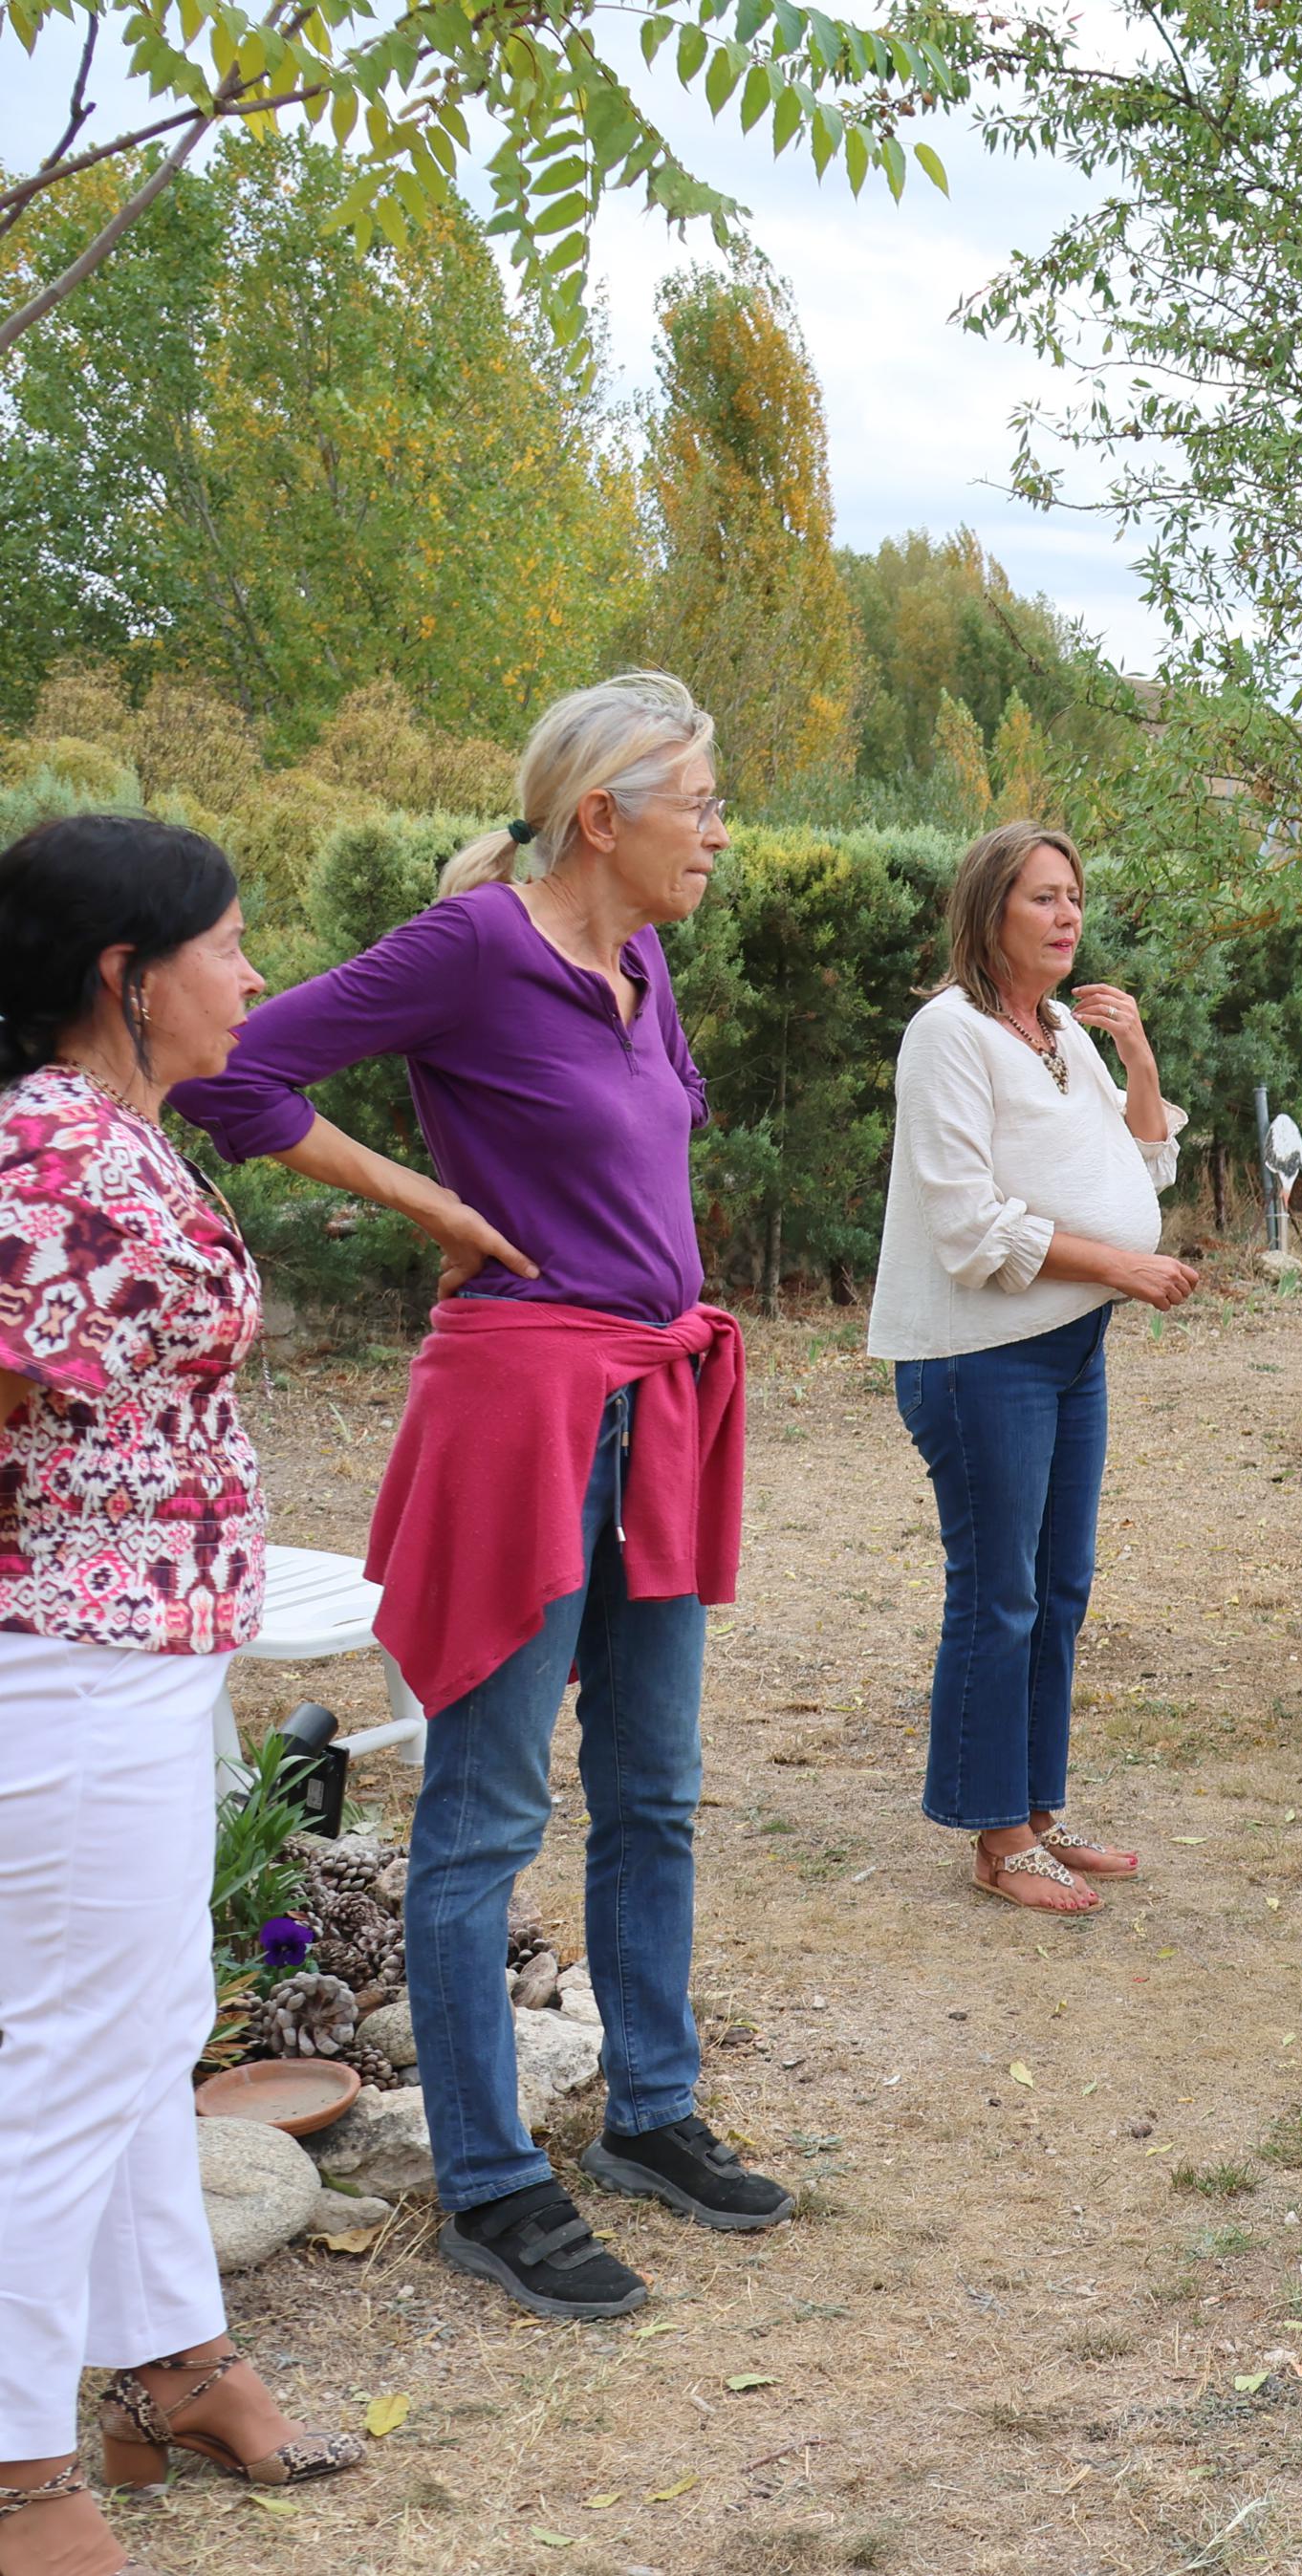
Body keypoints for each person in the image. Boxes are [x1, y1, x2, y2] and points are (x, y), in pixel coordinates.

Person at [171, 672, 789, 2323]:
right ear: (605, 815)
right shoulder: (472, 946)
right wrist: (420, 1195)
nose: (721, 831)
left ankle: (650, 2113)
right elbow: (233, 1071)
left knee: (653, 1788)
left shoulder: (637, 955)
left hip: (652, 1401)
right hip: (522, 1409)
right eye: (701, 802)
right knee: (486, 1812)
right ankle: (492, 2180)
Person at [2, 817, 365, 2567]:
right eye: (226, 944)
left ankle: (166, 2368)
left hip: (136, 1651)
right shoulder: (50, 1156)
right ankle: (16, 2471)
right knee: (71, 2062)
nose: (254, 974)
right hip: (66, 1670)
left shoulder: (113, 1136)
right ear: (122, 977)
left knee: (139, 2036)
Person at [868, 824, 1194, 1913]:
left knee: (1059, 1588)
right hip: (979, 1358)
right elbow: (969, 1226)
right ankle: (995, 1836)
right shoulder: (947, 1033)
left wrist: (1139, 1054)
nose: (1066, 917)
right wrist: (1124, 1265)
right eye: (1042, 898)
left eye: (1074, 897)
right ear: (988, 911)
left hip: (1069, 1346)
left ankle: (1038, 1812)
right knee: (999, 1593)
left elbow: (1143, 1157)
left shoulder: (1061, 1028)